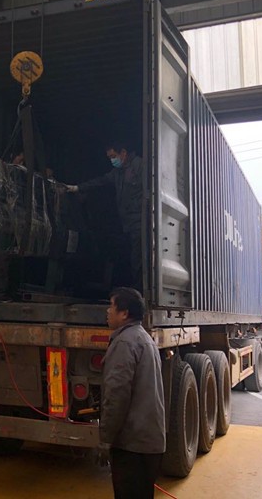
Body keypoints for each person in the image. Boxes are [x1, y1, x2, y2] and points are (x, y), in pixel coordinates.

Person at [100, 287, 166, 499]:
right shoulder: (144, 338)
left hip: (132, 446)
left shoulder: (124, 342)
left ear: (124, 313)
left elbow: (116, 395)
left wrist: (105, 440)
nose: (107, 311)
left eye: (111, 306)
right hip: (149, 443)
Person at [68, 141, 143, 289]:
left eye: (113, 156)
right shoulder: (117, 172)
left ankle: (140, 291)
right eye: (109, 158)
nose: (112, 160)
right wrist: (78, 188)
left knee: (138, 259)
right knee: (132, 258)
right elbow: (101, 181)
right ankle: (134, 288)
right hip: (128, 223)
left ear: (123, 153)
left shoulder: (140, 166)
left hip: (140, 222)